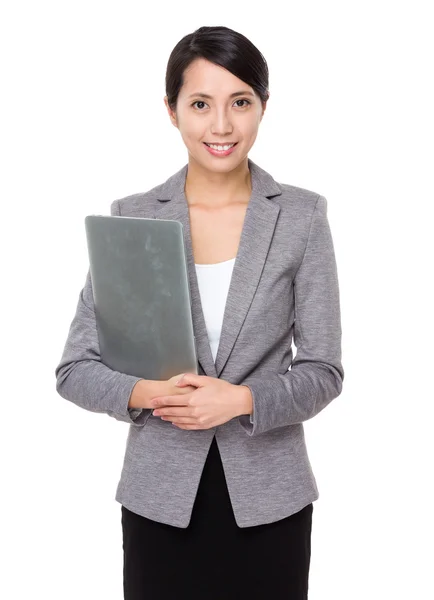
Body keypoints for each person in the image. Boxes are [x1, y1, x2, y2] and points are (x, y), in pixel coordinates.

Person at [55, 25, 344, 600]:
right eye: (200, 104)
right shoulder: (132, 217)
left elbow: (323, 370)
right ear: (171, 110)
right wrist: (152, 394)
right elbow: (75, 370)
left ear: (263, 106)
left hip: (271, 502)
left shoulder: (302, 218)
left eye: (240, 102)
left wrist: (242, 400)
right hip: (160, 501)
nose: (221, 125)